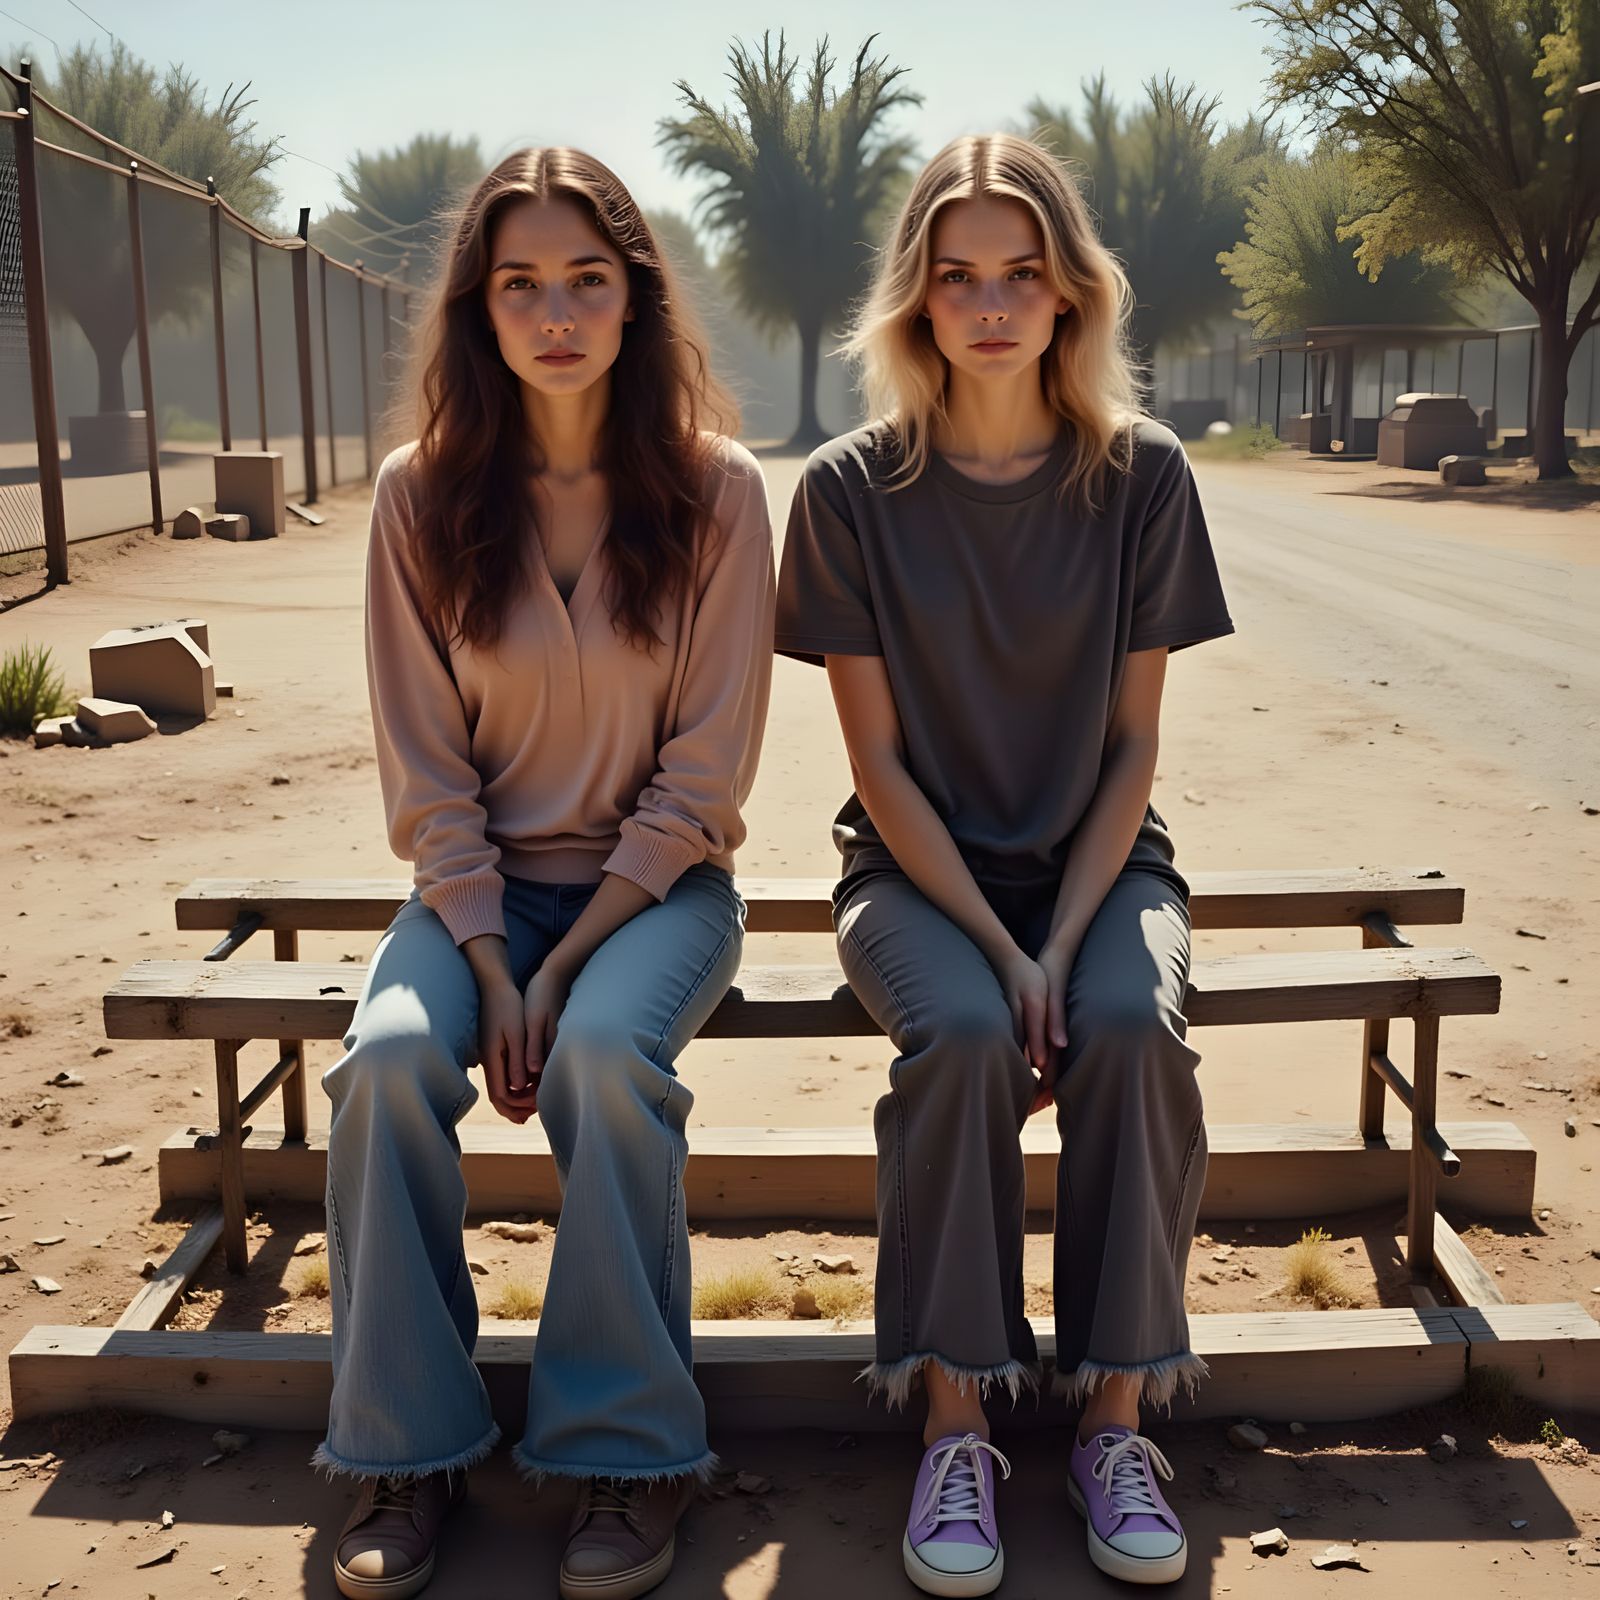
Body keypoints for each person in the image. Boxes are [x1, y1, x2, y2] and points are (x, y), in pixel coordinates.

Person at [776, 131, 1234, 1592]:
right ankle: (956, 1421)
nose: (990, 305)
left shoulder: (1145, 477)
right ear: (915, 297)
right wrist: (997, 946)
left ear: (1069, 294)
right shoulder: (847, 492)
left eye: (1020, 275)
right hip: (914, 879)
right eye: (958, 275)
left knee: (1124, 1020)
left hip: (1104, 867)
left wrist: (1061, 943)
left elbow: (1131, 756)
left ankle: (1113, 1415)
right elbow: (877, 769)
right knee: (969, 1033)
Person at [318, 146, 776, 1600]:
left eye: (589, 279)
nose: (557, 311)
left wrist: (567, 971)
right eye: (521, 284)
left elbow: (706, 778)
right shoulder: (417, 498)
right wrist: (493, 955)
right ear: (481, 309)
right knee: (386, 1065)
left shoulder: (719, 494)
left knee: (596, 1062)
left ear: (635, 303)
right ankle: (410, 1447)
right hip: (475, 902)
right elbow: (425, 774)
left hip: (662, 896)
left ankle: (626, 1460)